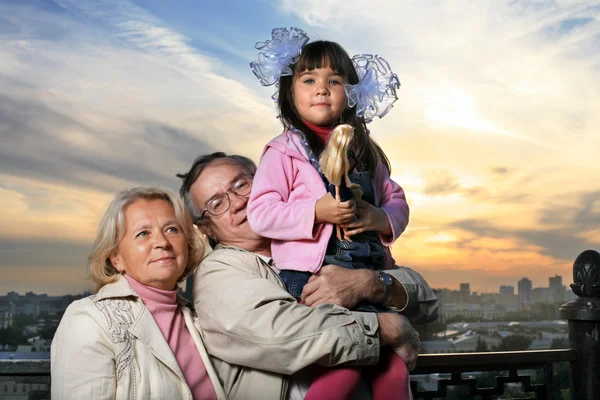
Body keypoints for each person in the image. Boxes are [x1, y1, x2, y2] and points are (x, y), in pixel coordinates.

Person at [177, 152, 438, 400]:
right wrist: (386, 328)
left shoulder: (321, 237)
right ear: (207, 229)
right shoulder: (218, 271)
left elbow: (428, 305)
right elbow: (281, 336)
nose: (237, 202)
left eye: (242, 185)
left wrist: (371, 284)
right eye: (217, 204)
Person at [247, 27, 411, 399]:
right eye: (309, 79)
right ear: (290, 92)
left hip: (368, 273)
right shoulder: (283, 150)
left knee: (393, 368)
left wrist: (380, 219)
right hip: (312, 278)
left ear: (351, 95)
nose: (321, 88)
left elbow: (396, 199)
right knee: (346, 363)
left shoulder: (364, 150)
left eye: (334, 80)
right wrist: (316, 211)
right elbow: (261, 213)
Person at [51, 187, 227, 400]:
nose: (162, 242)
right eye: (143, 233)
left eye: (172, 229)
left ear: (187, 244)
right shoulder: (88, 320)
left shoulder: (199, 319)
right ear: (116, 258)